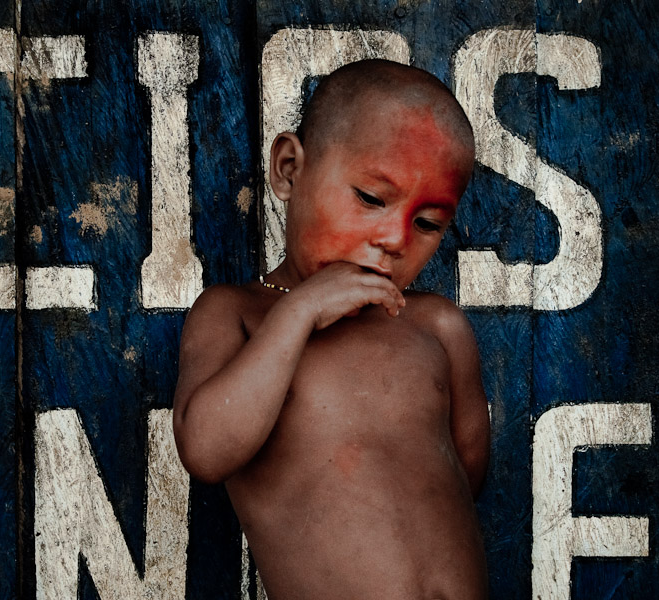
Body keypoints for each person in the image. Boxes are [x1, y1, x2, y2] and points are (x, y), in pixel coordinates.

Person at [173, 59, 489, 600]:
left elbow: (464, 479)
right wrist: (297, 314)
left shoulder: (438, 327)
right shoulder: (239, 314)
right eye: (371, 198)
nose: (394, 238)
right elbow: (204, 450)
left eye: (428, 223)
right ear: (289, 168)